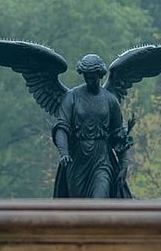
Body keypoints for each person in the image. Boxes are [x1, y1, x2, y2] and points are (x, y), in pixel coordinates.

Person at [51, 54, 133, 198]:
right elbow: (61, 128)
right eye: (86, 77)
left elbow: (118, 136)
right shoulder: (72, 97)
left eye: (93, 77)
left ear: (100, 74)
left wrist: (123, 164)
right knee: (78, 209)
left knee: (99, 200)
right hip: (77, 160)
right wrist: (64, 152)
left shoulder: (110, 100)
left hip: (102, 159)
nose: (89, 80)